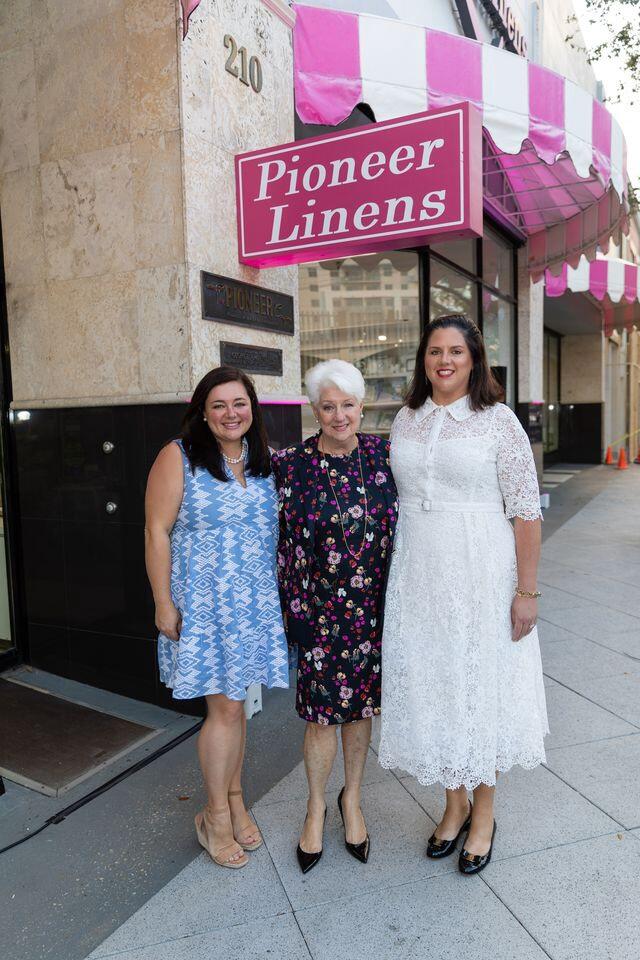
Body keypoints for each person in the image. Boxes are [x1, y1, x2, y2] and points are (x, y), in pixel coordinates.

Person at [378, 314, 548, 875]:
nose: (443, 361)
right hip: (420, 575)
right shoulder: (405, 418)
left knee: (478, 684)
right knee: (435, 683)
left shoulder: (498, 422)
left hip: (481, 571)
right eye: (433, 351)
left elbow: (526, 511)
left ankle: (484, 814)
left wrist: (527, 590)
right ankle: (452, 805)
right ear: (422, 360)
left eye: (455, 351)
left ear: (474, 359)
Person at [145, 366, 288, 870]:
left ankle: (234, 799)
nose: (231, 414)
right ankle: (213, 816)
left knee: (239, 706)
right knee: (224, 710)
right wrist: (164, 602)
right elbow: (156, 531)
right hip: (203, 607)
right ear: (202, 413)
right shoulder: (179, 457)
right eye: (220, 405)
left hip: (252, 605)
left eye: (240, 403)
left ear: (253, 408)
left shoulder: (262, 461)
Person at [272, 359, 398, 873]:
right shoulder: (291, 465)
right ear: (314, 410)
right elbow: (280, 546)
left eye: (348, 404)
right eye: (328, 406)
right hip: (321, 613)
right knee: (322, 718)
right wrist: (292, 612)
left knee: (362, 711)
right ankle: (316, 805)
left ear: (362, 406)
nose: (339, 415)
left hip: (375, 612)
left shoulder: (386, 454)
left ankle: (353, 800)